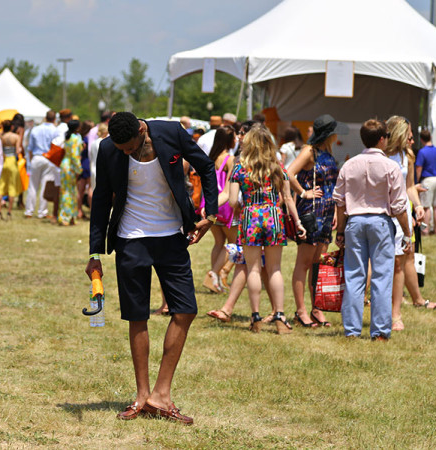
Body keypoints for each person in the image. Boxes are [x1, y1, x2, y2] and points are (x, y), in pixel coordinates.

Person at [86, 112, 218, 425]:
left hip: (172, 236)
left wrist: (210, 215)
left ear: (142, 130)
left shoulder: (172, 133)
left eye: (130, 148)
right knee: (137, 316)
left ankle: (161, 394)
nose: (125, 153)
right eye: (121, 149)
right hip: (130, 240)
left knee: (186, 310)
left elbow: (206, 166)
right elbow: (101, 198)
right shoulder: (108, 149)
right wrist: (95, 252)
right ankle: (143, 396)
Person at [334, 119, 411, 341]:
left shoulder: (349, 165)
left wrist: (340, 231)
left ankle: (351, 330)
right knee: (382, 277)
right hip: (380, 222)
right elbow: (399, 206)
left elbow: (340, 201)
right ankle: (379, 331)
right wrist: (407, 233)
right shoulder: (390, 166)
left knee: (354, 276)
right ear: (382, 139)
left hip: (355, 222)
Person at [227, 125, 305, 334]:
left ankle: (255, 317)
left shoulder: (239, 168)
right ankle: (280, 316)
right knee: (274, 268)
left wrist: (245, 205)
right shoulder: (278, 168)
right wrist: (298, 222)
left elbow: (233, 201)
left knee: (252, 268)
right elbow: (287, 198)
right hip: (273, 216)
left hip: (250, 216)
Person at [287, 114, 346, 328]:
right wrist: (304, 192)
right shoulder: (309, 151)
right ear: (328, 134)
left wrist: (336, 212)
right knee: (303, 263)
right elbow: (288, 173)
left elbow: (332, 184)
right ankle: (301, 311)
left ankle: (316, 309)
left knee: (318, 263)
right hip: (311, 213)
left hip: (327, 213)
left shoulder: (327, 152)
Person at [385, 117, 436, 331]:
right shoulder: (382, 153)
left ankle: (396, 314)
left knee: (400, 262)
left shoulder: (407, 155)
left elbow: (409, 186)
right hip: (382, 214)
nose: (411, 137)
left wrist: (417, 206)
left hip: (401, 215)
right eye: (408, 132)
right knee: (381, 262)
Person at [203, 125, 237, 293]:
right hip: (225, 206)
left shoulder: (211, 157)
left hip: (211, 204)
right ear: (230, 140)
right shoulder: (230, 159)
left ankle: (214, 281)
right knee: (234, 244)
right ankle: (215, 273)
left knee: (218, 243)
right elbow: (229, 189)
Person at [25, 111, 58, 218]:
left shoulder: (35, 129)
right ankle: (42, 212)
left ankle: (29, 211)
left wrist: (31, 160)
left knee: (32, 186)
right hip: (48, 158)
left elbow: (30, 148)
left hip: (37, 157)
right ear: (54, 119)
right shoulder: (55, 130)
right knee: (45, 185)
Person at [415, 129, 436, 235]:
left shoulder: (422, 152)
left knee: (426, 207)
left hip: (427, 179)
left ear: (421, 139)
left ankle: (425, 230)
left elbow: (419, 168)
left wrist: (417, 181)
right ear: (431, 137)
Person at [57, 120, 83, 226]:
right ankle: (67, 217)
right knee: (70, 193)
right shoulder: (75, 138)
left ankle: (68, 216)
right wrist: (79, 169)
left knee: (66, 191)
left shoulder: (67, 137)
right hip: (71, 167)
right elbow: (75, 156)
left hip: (64, 164)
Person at [0, 120, 23, 220]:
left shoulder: (0, 136)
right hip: (12, 162)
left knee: (0, 187)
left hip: (2, 161)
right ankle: (9, 212)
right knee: (12, 187)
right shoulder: (16, 137)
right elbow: (18, 150)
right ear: (11, 127)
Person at [76, 120, 94, 220]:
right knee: (90, 188)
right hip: (88, 164)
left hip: (82, 163)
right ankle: (92, 211)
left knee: (80, 190)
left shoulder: (80, 138)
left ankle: (79, 211)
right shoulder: (89, 138)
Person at [88, 122, 108, 201]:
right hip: (100, 170)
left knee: (94, 190)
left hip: (93, 169)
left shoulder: (94, 142)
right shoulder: (103, 142)